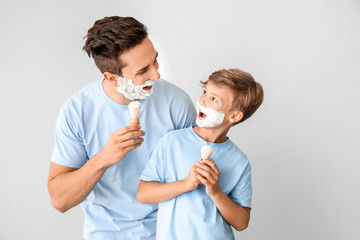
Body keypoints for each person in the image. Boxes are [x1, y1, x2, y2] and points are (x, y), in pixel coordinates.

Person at [47, 16, 196, 240]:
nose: (156, 74)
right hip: (107, 234)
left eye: (155, 60)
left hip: (170, 231)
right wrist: (104, 158)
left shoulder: (177, 103)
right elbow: (60, 201)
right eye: (143, 70)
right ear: (112, 78)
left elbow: (191, 184)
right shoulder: (76, 112)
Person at [137, 68, 264, 239]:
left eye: (214, 99)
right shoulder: (171, 142)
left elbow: (241, 223)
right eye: (205, 92)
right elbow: (143, 194)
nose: (203, 101)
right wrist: (186, 184)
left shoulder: (239, 161)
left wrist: (215, 192)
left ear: (234, 116)